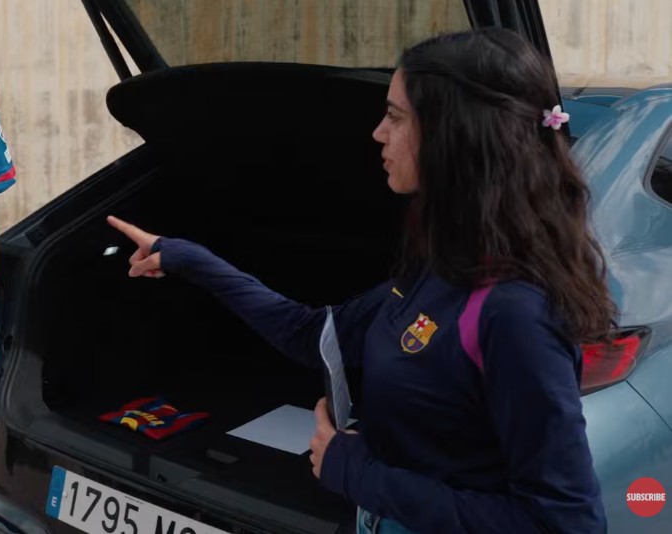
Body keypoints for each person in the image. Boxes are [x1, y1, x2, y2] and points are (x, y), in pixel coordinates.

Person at [108, 28, 612, 534]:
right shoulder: (445, 264)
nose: (377, 133)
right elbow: (314, 334)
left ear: (454, 133)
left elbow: (563, 523)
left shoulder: (516, 312)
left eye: (395, 116)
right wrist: (190, 259)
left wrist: (354, 471)